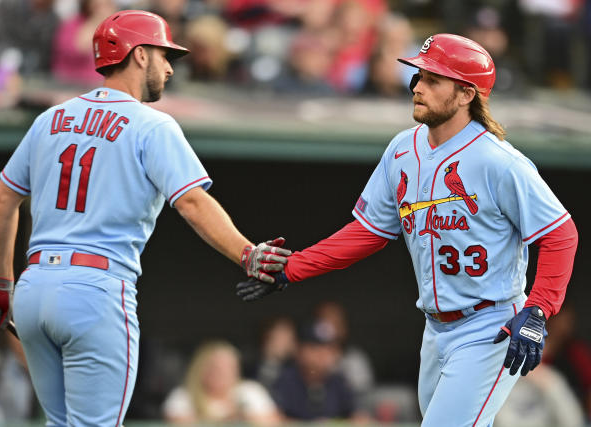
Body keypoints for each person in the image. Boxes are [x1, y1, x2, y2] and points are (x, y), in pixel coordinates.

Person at [236, 33, 578, 426]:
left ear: (467, 94)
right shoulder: (402, 149)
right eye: (418, 76)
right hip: (435, 328)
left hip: (490, 325)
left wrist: (538, 310)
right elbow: (367, 232)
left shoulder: (499, 161)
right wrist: (293, 267)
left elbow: (559, 234)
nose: (417, 86)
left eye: (433, 79)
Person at [0, 10, 290, 426]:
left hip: (34, 289)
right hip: (95, 290)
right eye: (164, 56)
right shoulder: (151, 125)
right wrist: (246, 253)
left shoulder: (49, 119)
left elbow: (2, 202)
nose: (169, 69)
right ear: (139, 55)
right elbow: (193, 203)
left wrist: (0, 284)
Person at [162, 340, 280, 425]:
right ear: (200, 369)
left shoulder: (250, 391)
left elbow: (273, 422)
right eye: (215, 367)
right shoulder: (183, 395)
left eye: (228, 367)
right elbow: (178, 422)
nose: (222, 373)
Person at [270, 319, 360, 422]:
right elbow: (274, 418)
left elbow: (356, 417)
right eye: (314, 347)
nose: (323, 354)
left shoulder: (339, 382)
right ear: (299, 350)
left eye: (329, 348)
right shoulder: (284, 380)